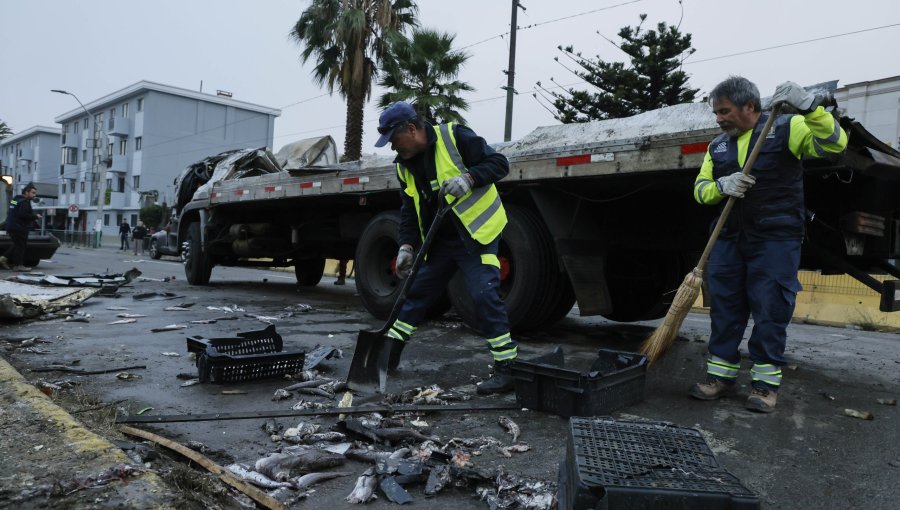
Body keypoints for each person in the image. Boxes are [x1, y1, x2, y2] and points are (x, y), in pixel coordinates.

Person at [689, 77, 847, 412]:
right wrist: (722, 185)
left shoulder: (789, 128)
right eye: (716, 113)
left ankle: (763, 387)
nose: (718, 119)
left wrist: (810, 108)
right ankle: (720, 377)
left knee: (770, 310)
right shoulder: (717, 146)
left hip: (775, 240)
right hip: (729, 239)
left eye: (724, 111)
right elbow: (700, 190)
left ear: (749, 106)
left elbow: (835, 144)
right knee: (725, 310)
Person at [374, 101, 517, 395]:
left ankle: (507, 367)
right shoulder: (404, 167)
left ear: (411, 129)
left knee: (483, 294)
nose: (392, 148)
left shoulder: (455, 136)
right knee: (414, 295)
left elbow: (500, 164)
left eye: (393, 140)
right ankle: (389, 354)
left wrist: (469, 178)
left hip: (477, 236)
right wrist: (406, 245)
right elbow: (409, 210)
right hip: (440, 243)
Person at [0, 183, 41, 272]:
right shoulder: (24, 202)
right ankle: (18, 265)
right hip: (18, 227)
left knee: (18, 244)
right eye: (33, 193)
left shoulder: (15, 199)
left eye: (35, 193)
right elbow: (23, 215)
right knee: (21, 246)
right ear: (26, 192)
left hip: (11, 225)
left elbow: (11, 210)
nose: (34, 195)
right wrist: (35, 216)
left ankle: (3, 258)